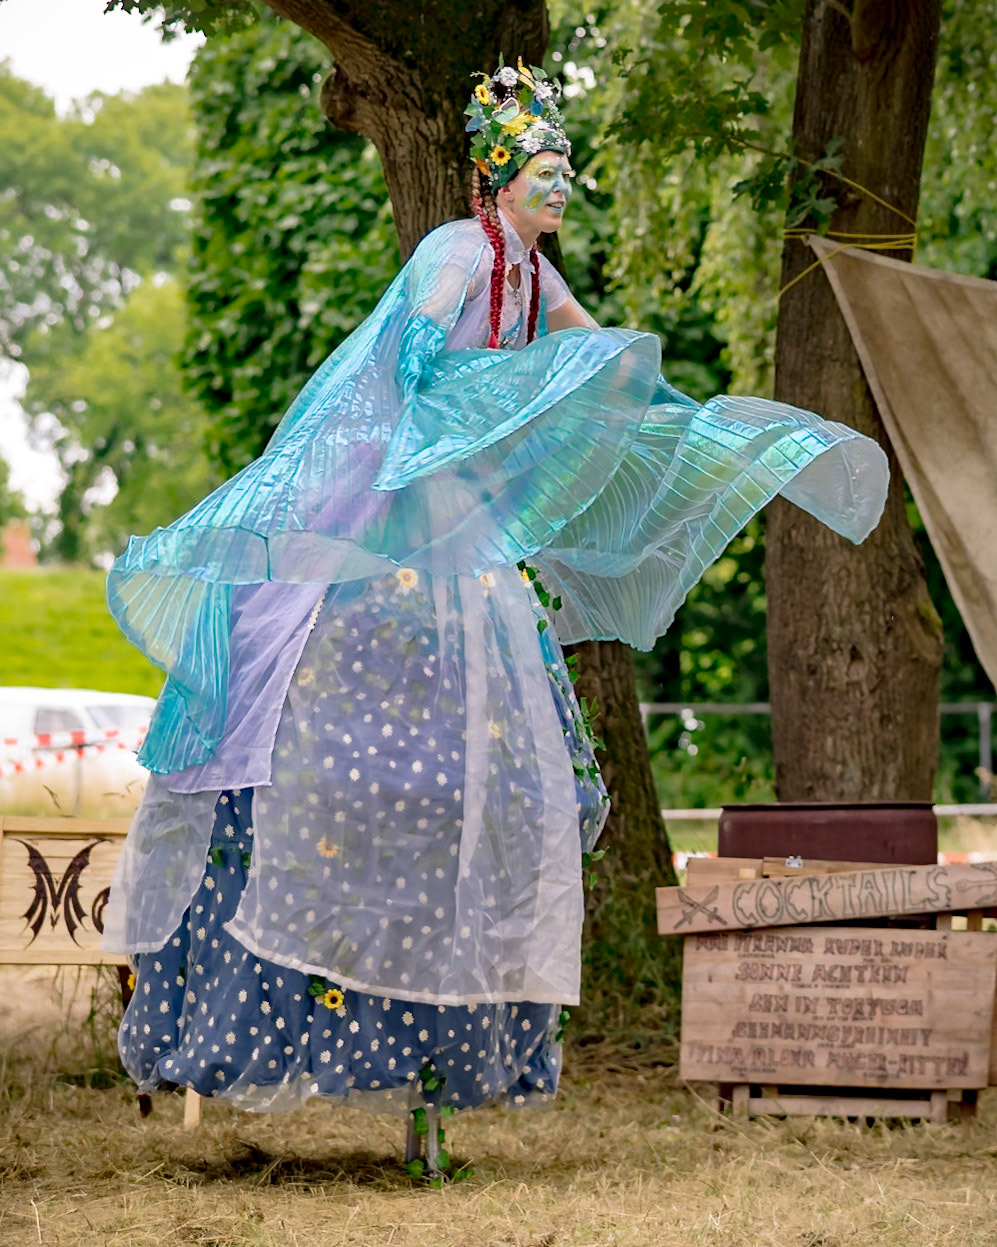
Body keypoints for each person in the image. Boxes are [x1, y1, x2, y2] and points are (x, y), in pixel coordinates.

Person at [103, 61, 888, 1163]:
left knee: (502, 757)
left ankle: (441, 1060)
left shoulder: (529, 266)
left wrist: (689, 425)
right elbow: (407, 358)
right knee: (329, 724)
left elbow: (594, 353)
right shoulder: (456, 252)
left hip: (462, 531)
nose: (561, 188)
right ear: (496, 175)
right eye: (545, 172)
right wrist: (471, 399)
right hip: (391, 507)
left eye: (567, 171)